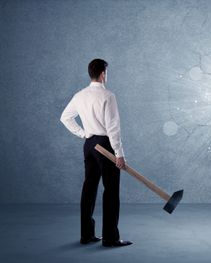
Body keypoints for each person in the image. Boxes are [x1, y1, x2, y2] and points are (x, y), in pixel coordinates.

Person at [60, 58, 132, 247]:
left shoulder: (79, 95)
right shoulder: (108, 96)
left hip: (89, 145)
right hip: (105, 145)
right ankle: (110, 238)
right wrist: (119, 153)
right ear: (102, 74)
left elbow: (65, 118)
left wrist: (84, 134)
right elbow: (113, 128)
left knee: (89, 187)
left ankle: (87, 235)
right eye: (106, 72)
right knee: (111, 191)